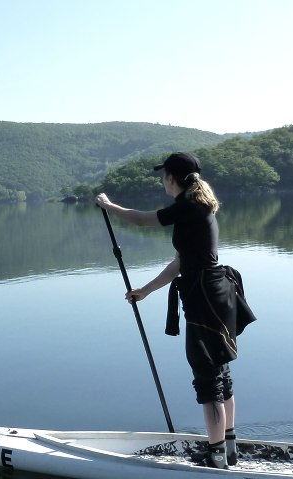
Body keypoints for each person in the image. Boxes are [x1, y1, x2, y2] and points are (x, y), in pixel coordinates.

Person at [95, 152, 246, 470]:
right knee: (220, 375)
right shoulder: (198, 207)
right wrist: (146, 291)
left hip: (204, 299)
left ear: (172, 178)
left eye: (164, 175)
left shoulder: (188, 206)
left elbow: (141, 220)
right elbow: (181, 262)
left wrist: (108, 206)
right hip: (217, 295)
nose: (162, 179)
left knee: (208, 381)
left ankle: (216, 457)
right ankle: (227, 449)